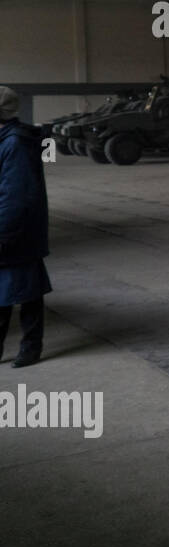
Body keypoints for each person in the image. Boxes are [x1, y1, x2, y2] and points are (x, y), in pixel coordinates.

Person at [0, 86, 51, 368]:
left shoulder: (15, 143)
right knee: (7, 293)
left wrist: (3, 235)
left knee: (27, 292)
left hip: (16, 231)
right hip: (10, 229)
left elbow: (15, 197)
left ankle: (31, 348)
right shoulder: (5, 139)